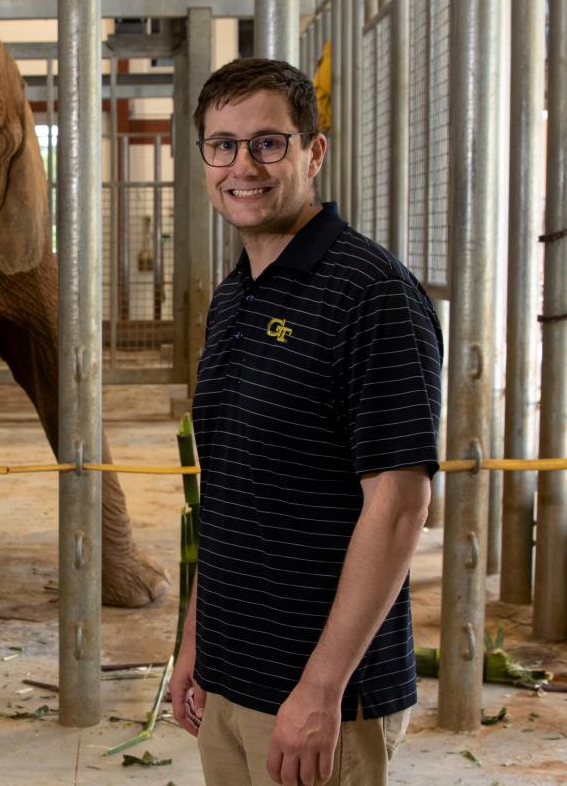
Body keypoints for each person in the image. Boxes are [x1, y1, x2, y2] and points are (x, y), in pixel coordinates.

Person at [168, 57, 443, 786]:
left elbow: (399, 504)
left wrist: (321, 690)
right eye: (222, 144)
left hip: (319, 702)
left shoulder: (372, 293)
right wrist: (195, 641)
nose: (242, 166)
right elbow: (224, 491)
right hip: (229, 683)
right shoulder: (234, 299)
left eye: (268, 142)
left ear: (313, 151)